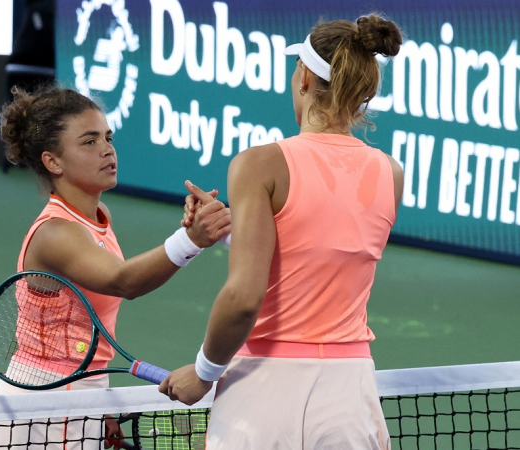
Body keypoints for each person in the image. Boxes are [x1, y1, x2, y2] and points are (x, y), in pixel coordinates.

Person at [159, 14, 405, 449]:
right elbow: (323, 247)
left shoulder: (259, 165)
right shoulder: (391, 173)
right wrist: (234, 228)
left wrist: (203, 373)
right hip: (350, 396)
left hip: (264, 394)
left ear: (305, 77)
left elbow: (243, 297)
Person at [0, 85, 231, 450]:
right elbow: (122, 281)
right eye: (89, 142)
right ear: (53, 162)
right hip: (40, 408)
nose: (107, 150)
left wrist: (102, 404)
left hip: (81, 398)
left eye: (108, 138)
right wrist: (191, 239)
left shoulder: (97, 216)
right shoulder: (56, 233)